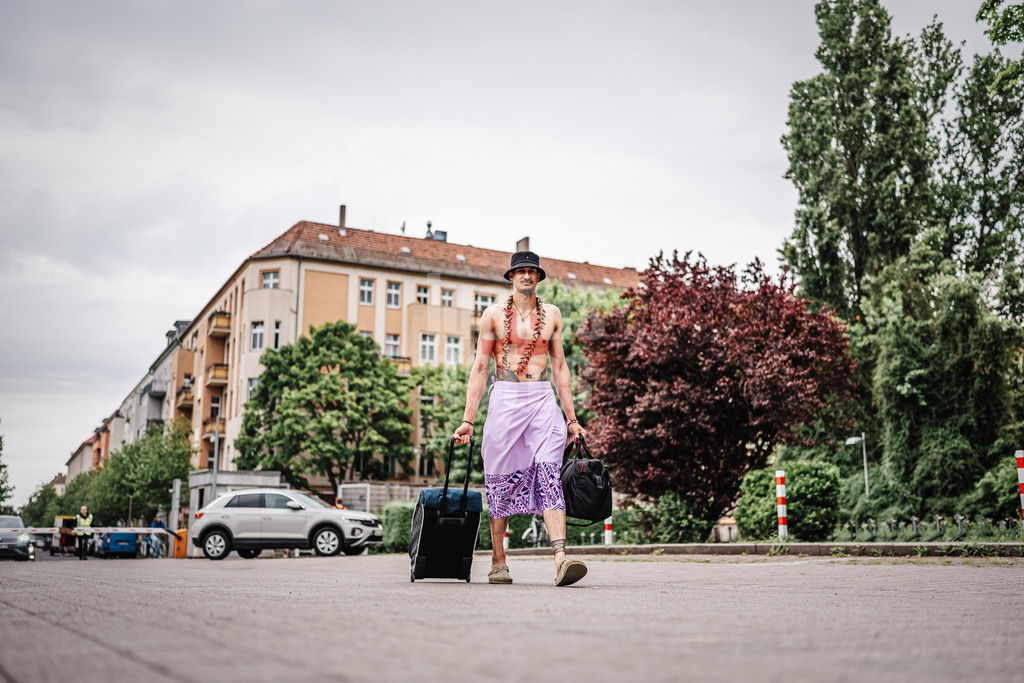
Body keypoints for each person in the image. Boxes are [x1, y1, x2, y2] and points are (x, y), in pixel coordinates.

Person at [453, 250, 589, 587]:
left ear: (539, 278)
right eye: (521, 271)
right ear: (511, 277)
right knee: (499, 478)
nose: (527, 276)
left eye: (532, 271)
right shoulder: (493, 316)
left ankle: (560, 558)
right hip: (506, 400)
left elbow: (560, 368)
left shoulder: (553, 315)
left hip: (542, 401)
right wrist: (468, 420)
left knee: (549, 473)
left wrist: (572, 419)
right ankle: (498, 561)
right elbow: (481, 367)